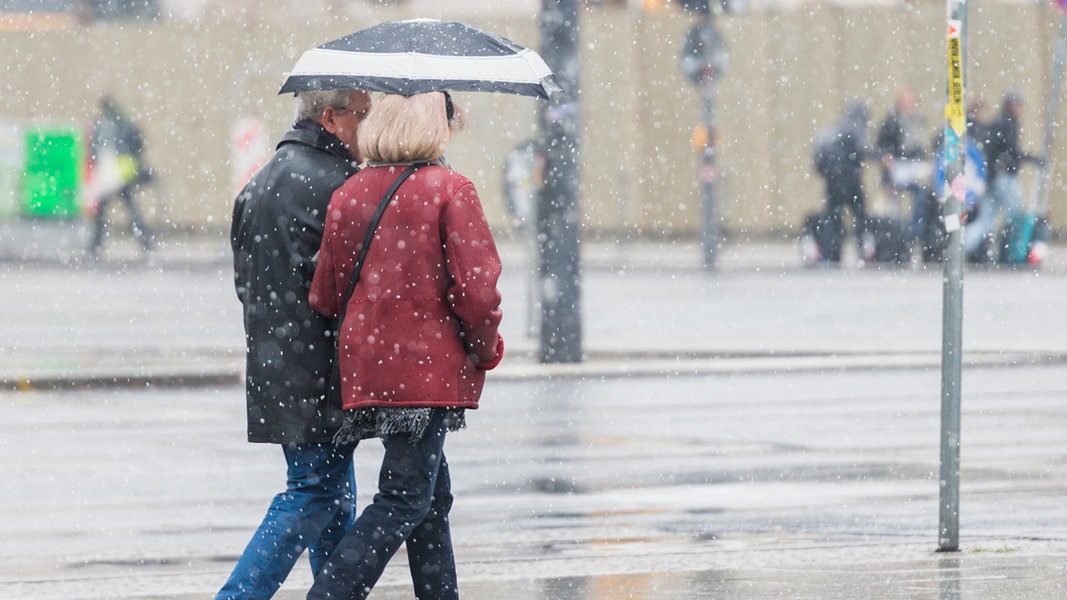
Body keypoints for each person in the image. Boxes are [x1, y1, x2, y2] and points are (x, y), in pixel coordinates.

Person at [306, 91, 504, 600]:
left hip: (369, 368)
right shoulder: (450, 189)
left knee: (431, 499)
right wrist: (485, 349)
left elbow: (325, 295)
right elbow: (477, 292)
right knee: (402, 499)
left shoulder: (348, 193)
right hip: (426, 373)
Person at [219, 88, 371, 600]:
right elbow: (351, 288)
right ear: (329, 118)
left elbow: (245, 283)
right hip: (321, 370)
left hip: (277, 365)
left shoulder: (260, 181)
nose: (367, 127)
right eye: (361, 116)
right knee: (313, 493)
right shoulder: (341, 186)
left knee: (331, 494)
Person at [963, 91, 1044, 260]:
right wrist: (1033, 158)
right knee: (1016, 215)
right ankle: (1012, 251)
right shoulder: (1008, 123)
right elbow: (1011, 151)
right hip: (1004, 177)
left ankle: (962, 245)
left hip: (994, 177)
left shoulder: (997, 122)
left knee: (986, 220)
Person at [86, 94, 153, 258]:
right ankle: (145, 242)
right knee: (131, 209)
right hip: (124, 172)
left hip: (110, 174)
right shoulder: (124, 121)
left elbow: (95, 149)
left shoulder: (103, 124)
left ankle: (96, 245)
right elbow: (139, 143)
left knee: (103, 212)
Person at [812, 100, 874, 263]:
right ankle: (863, 251)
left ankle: (832, 252)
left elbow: (819, 158)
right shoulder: (854, 129)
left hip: (833, 183)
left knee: (833, 218)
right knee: (860, 217)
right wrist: (881, 156)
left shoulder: (833, 131)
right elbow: (861, 150)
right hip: (851, 182)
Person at [876, 89, 932, 242]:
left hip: (914, 166)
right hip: (898, 166)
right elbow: (882, 146)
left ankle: (915, 232)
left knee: (922, 192)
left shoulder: (918, 121)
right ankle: (896, 233)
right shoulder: (892, 122)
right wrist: (887, 158)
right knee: (894, 200)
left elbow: (920, 147)